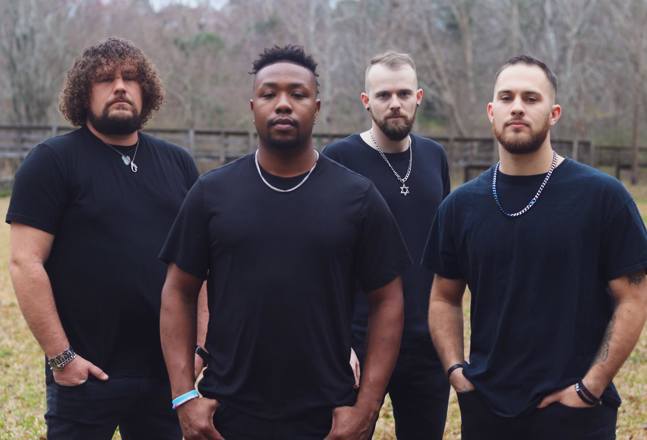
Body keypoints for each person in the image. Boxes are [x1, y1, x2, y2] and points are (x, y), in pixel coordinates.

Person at [159, 44, 410, 440]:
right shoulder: (212, 193)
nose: (282, 104)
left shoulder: (357, 197)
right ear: (252, 106)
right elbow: (178, 291)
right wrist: (183, 396)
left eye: (297, 94)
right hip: (228, 414)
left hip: (326, 417)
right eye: (269, 93)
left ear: (317, 106)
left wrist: (367, 406)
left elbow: (389, 300)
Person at [425, 54, 647, 439]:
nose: (517, 107)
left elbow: (634, 297)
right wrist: (456, 371)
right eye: (506, 97)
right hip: (487, 411)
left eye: (531, 98)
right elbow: (444, 297)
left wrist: (591, 386)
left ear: (554, 113)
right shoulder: (460, 206)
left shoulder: (602, 198)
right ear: (491, 111)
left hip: (576, 415)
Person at [6, 37, 199, 440]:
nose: (120, 87)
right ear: (83, 91)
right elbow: (25, 262)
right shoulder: (51, 161)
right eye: (105, 79)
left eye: (131, 77)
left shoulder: (178, 164)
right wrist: (62, 358)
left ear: (147, 89)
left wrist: (198, 350)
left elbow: (197, 266)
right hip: (86, 374)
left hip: (165, 373)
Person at [323, 51, 450, 440]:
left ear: (418, 97)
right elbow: (323, 259)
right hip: (359, 340)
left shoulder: (434, 156)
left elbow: (443, 249)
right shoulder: (338, 159)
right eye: (383, 95)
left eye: (403, 93)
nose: (395, 103)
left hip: (425, 342)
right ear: (366, 101)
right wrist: (338, 342)